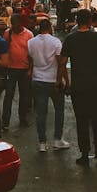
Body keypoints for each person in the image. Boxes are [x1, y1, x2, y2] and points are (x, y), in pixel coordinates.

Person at [58, 8, 97, 166]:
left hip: (79, 87)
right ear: (91, 21)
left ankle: (84, 154)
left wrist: (65, 81)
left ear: (77, 21)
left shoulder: (70, 39)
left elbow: (62, 63)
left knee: (82, 120)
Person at [28, 18, 69, 152]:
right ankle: (58, 140)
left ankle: (42, 143)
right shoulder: (56, 42)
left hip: (38, 80)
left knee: (41, 113)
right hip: (53, 81)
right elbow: (61, 63)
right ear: (50, 28)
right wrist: (63, 80)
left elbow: (31, 60)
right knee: (59, 110)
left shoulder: (31, 42)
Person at [1, 14, 33, 130]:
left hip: (24, 69)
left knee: (24, 96)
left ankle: (23, 118)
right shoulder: (7, 33)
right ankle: (5, 121)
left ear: (21, 24)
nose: (14, 27)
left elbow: (31, 54)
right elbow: (4, 49)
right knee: (8, 96)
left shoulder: (29, 34)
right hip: (11, 69)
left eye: (16, 25)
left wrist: (30, 69)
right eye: (12, 25)